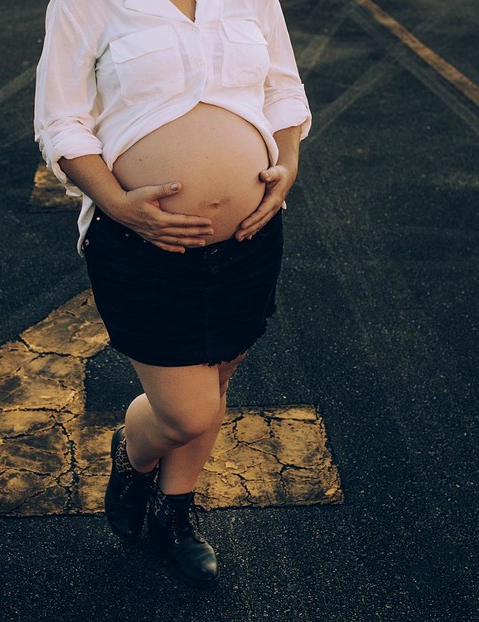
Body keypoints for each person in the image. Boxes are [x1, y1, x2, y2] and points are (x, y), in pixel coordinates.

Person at [33, 0, 310, 588]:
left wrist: (285, 163)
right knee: (187, 409)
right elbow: (61, 119)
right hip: (141, 245)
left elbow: (283, 91)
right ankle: (132, 452)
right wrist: (116, 205)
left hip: (249, 239)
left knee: (218, 381)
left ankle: (174, 515)